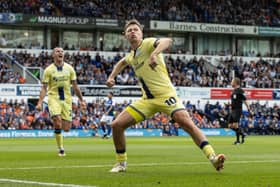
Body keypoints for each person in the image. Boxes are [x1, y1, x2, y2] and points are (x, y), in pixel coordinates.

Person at [106, 19, 225, 173]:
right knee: (117, 125)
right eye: (129, 31)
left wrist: (155, 54)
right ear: (125, 36)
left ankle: (213, 158)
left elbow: (167, 41)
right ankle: (121, 163)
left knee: (186, 123)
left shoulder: (148, 44)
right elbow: (121, 63)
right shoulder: (131, 56)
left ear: (141, 33)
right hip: (147, 101)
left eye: (136, 29)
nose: (133, 32)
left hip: (166, 96)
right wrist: (111, 77)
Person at [36, 47, 86, 156]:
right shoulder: (48, 70)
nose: (60, 53)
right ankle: (61, 149)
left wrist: (81, 100)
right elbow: (44, 88)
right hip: (54, 98)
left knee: (67, 128)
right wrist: (40, 102)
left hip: (67, 99)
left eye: (62, 51)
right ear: (53, 55)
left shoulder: (69, 68)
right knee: (57, 121)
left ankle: (58, 131)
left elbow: (75, 86)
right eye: (58, 51)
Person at [228, 78, 251, 145]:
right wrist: (229, 104)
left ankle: (238, 141)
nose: (231, 83)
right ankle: (243, 134)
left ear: (235, 82)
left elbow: (245, 100)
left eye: (232, 81)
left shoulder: (240, 90)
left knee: (235, 125)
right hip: (232, 110)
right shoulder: (233, 91)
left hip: (238, 110)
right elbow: (235, 101)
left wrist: (249, 109)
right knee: (230, 126)